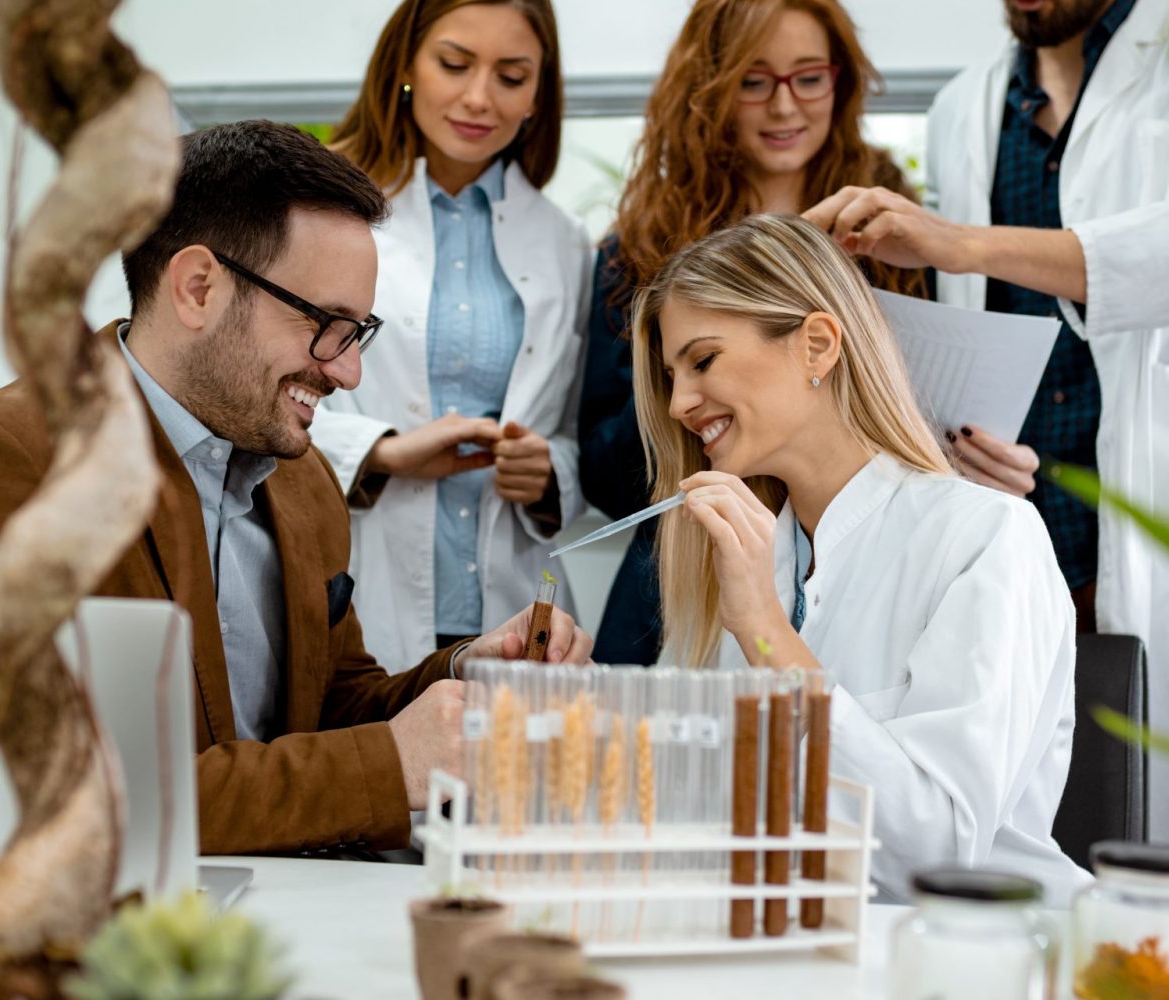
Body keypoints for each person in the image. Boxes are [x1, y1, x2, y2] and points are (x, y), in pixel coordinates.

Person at [0, 120, 592, 858]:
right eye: (327, 325)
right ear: (198, 288)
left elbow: (330, 709)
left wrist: (462, 675)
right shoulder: (1, 466)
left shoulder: (305, 478)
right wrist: (389, 763)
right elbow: (48, 791)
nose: (347, 371)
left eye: (360, 332)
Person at [803, 0, 1169, 902]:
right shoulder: (966, 105)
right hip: (1008, 554)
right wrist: (964, 448)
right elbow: (987, 340)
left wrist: (959, 245)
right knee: (1008, 874)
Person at [634, 213, 1088, 903]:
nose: (678, 404)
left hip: (964, 956)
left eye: (702, 361)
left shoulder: (987, 536)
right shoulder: (738, 562)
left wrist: (765, 633)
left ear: (816, 345)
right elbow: (675, 807)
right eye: (672, 375)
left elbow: (933, 852)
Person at [579, 0, 926, 665]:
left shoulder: (889, 235)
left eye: (808, 78)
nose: (784, 106)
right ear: (710, 91)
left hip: (856, 554)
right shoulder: (644, 243)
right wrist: (710, 368)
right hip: (688, 570)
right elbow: (604, 467)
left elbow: (911, 414)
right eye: (754, 81)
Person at [319, 0, 591, 670]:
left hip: (513, 600)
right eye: (454, 64)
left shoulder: (566, 243)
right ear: (406, 65)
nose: (479, 98)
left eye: (511, 75)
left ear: (538, 93)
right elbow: (257, 397)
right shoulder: (323, 209)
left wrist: (552, 472)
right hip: (362, 583)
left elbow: (591, 430)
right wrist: (380, 453)